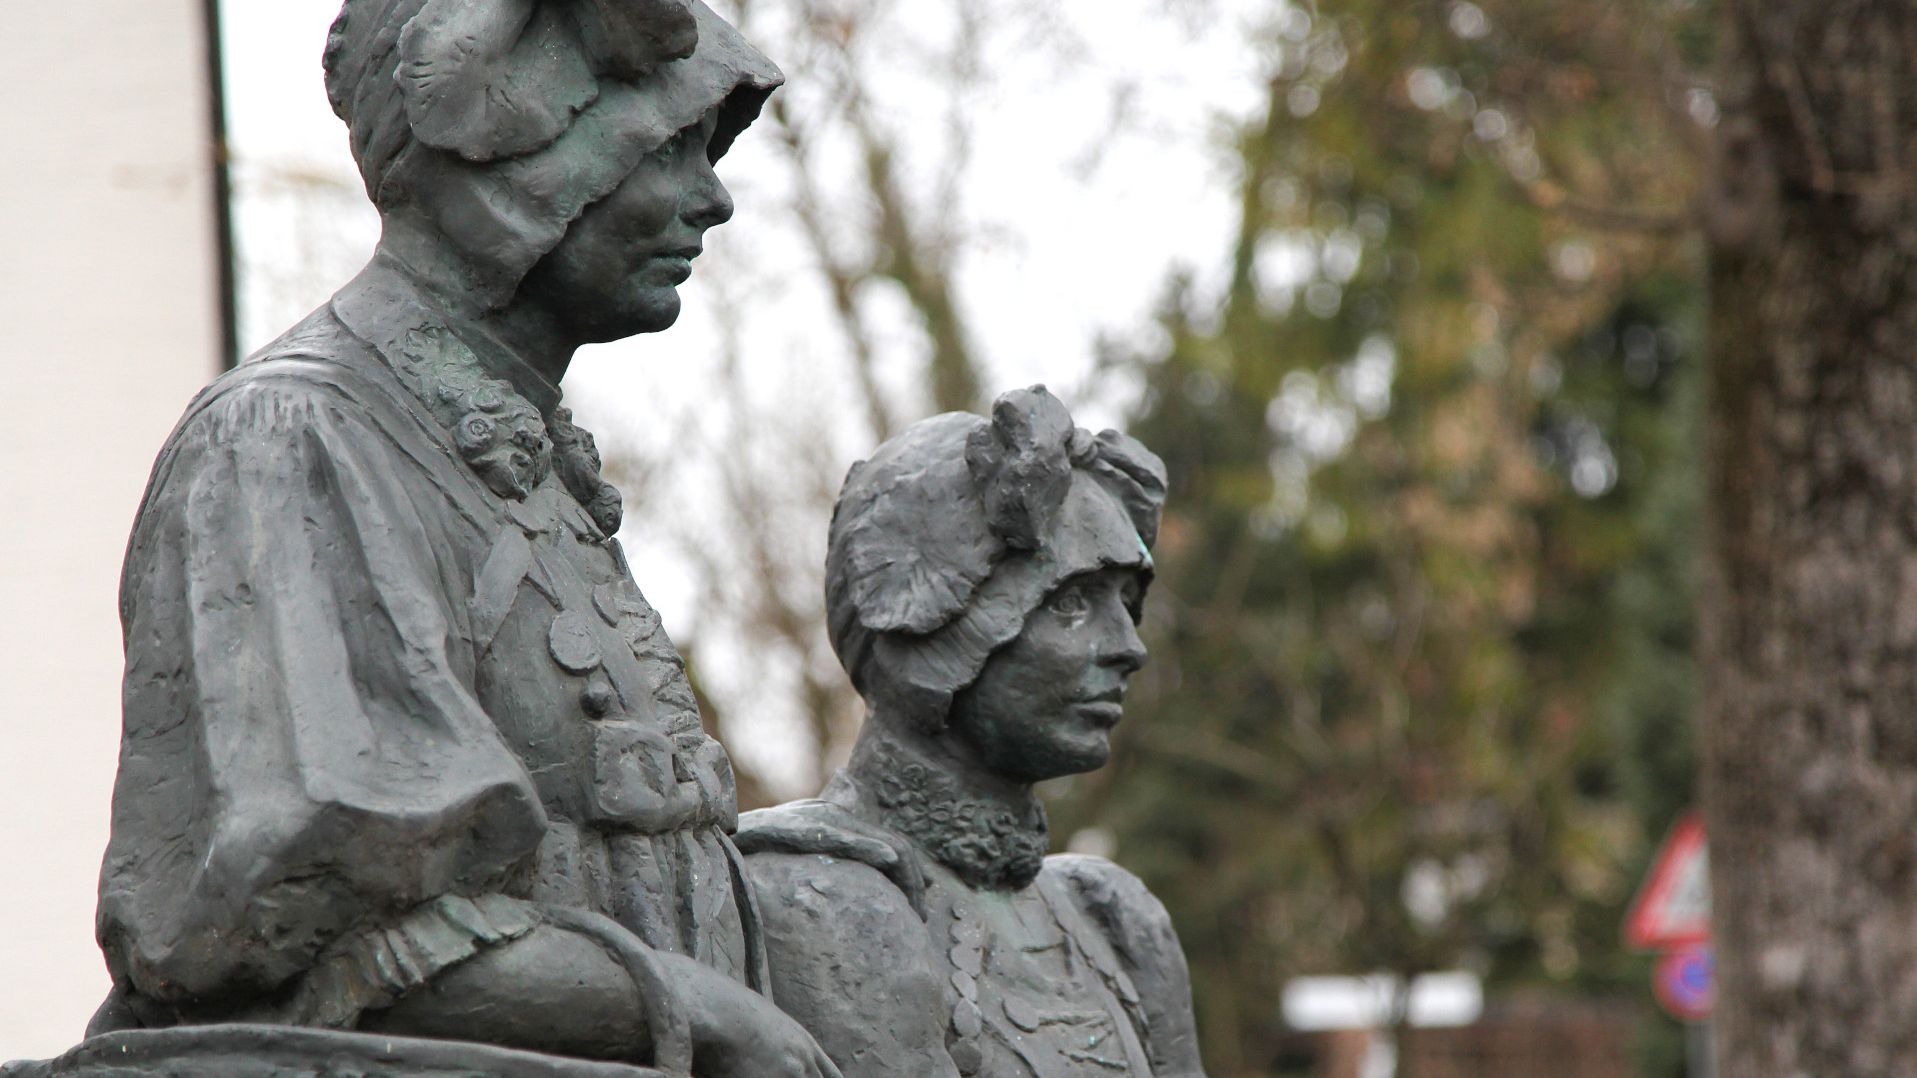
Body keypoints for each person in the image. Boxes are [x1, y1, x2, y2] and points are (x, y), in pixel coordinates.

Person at [16, 2, 839, 1075]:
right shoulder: (294, 439)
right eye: (672, 147)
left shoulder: (515, 457)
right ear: (526, 171)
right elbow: (330, 931)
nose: (714, 198)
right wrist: (713, 1017)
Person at [738, 386, 1208, 1077]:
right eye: (1072, 602)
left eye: (1127, 605)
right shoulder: (814, 891)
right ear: (936, 633)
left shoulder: (1116, 920)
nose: (1129, 646)